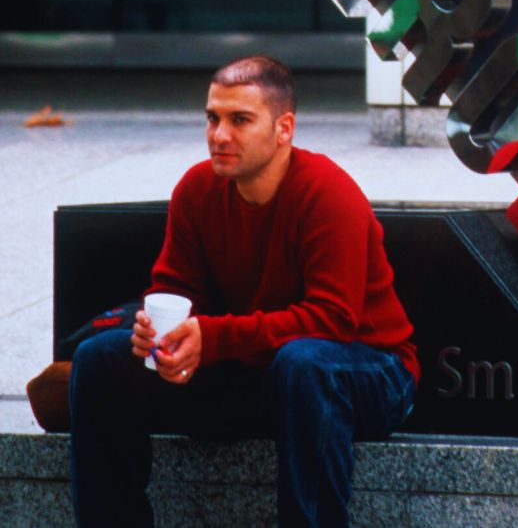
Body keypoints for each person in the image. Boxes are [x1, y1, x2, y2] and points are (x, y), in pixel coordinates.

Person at [69, 56, 419, 527]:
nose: (219, 135)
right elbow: (175, 288)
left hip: (369, 371)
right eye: (212, 118)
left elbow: (332, 321)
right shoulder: (197, 188)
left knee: (305, 364)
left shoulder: (327, 193)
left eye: (240, 120)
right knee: (100, 359)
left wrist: (210, 340)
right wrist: (161, 338)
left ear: (284, 128)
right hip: (261, 369)